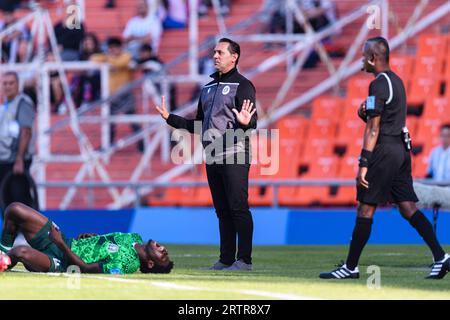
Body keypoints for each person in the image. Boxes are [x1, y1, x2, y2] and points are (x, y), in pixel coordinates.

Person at [319, 37, 450, 280]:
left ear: (373, 58)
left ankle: (350, 267)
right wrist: (365, 114)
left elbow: (373, 128)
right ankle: (441, 257)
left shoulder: (378, 85)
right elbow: (382, 117)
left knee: (365, 207)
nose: (361, 61)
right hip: (401, 150)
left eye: (363, 56)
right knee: (407, 207)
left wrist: (363, 163)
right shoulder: (397, 81)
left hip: (385, 151)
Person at [156, 38, 257, 271]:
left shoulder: (243, 85)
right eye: (214, 52)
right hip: (212, 155)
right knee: (222, 210)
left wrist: (245, 123)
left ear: (234, 57)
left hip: (235, 154)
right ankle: (226, 259)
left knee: (238, 207)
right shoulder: (207, 88)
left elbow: (251, 122)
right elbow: (199, 125)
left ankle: (245, 260)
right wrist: (171, 118)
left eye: (221, 52)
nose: (215, 56)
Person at [0, 202, 173, 274]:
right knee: (14, 209)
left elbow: (85, 268)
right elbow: (105, 247)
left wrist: (60, 243)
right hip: (68, 242)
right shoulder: (135, 237)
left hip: (63, 261)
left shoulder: (128, 264)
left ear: (150, 263)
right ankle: (3, 253)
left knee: (20, 252)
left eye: (163, 255)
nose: (164, 249)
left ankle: (5, 261)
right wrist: (92, 239)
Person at [90, 37, 144, 152]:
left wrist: (107, 60)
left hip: (125, 94)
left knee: (133, 121)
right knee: (109, 122)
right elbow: (93, 58)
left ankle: (142, 145)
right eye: (111, 48)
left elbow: (121, 63)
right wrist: (108, 59)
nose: (113, 50)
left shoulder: (126, 56)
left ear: (120, 48)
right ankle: (107, 144)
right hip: (112, 95)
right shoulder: (108, 58)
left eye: (115, 48)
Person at [0, 71, 36, 213]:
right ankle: (14, 234)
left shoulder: (23, 103)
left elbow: (26, 131)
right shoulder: (6, 105)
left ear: (18, 85)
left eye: (11, 83)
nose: (8, 86)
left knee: (19, 202)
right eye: (5, 83)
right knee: (6, 203)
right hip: (4, 162)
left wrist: (19, 159)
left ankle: (24, 234)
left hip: (16, 163)